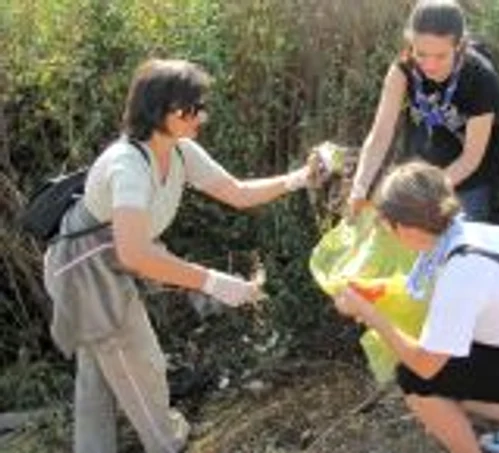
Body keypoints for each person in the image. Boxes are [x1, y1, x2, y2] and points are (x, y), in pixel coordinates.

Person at [43, 59, 318, 453]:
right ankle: (166, 443)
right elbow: (135, 251)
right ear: (160, 110)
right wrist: (214, 283)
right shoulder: (128, 165)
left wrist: (299, 179)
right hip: (85, 271)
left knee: (101, 371)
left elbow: (237, 192)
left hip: (108, 260)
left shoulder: (181, 151)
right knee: (142, 365)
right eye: (191, 108)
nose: (201, 115)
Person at [334, 162, 499, 453]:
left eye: (385, 224)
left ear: (401, 226)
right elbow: (433, 295)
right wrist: (375, 293)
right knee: (446, 379)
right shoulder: (466, 235)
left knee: (415, 380)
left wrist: (367, 312)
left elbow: (425, 365)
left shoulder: (463, 270)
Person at [349, 0, 499, 221]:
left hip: (467, 182)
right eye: (421, 54)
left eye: (441, 56)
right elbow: (380, 134)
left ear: (458, 46)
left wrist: (425, 195)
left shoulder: (481, 77)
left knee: (455, 248)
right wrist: (360, 187)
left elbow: (471, 158)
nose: (429, 65)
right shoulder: (403, 68)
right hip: (418, 174)